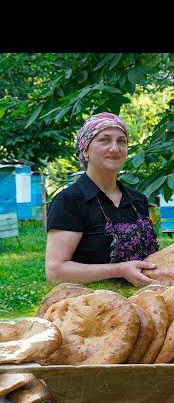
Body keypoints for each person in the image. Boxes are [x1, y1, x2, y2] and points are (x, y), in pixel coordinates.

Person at [45, 112, 159, 286]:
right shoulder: (69, 201)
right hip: (91, 306)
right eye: (104, 140)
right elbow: (55, 272)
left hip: (144, 302)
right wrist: (119, 270)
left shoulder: (138, 200)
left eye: (121, 141)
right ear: (85, 150)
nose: (115, 148)